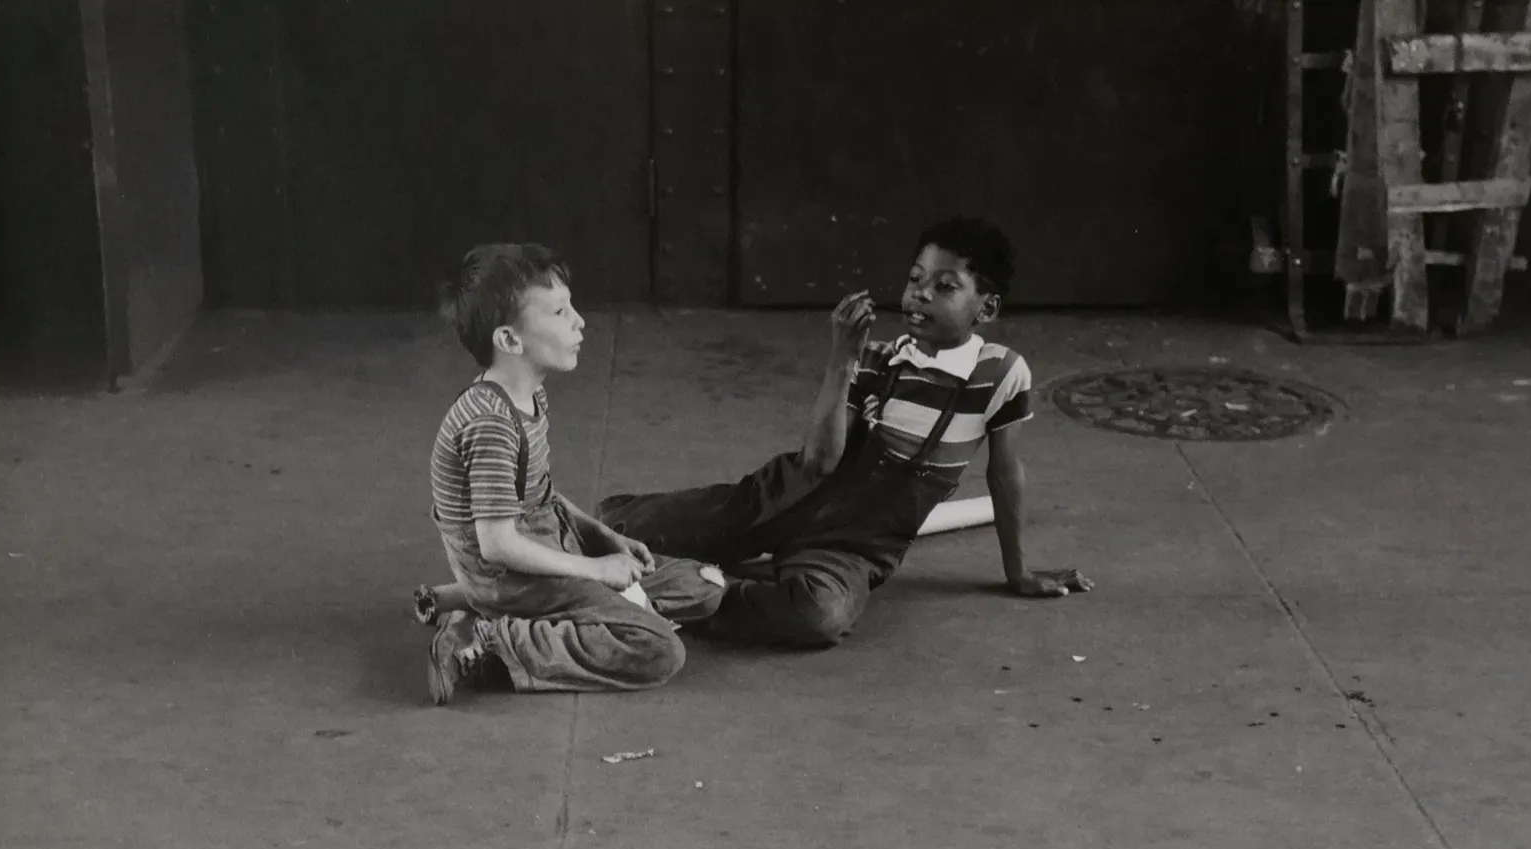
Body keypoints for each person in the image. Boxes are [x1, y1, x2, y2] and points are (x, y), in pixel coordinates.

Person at [595, 216, 1092, 647]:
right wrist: (842, 360)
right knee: (616, 530)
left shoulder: (1001, 374)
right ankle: (659, 563)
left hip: (854, 547)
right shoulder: (875, 358)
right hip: (782, 499)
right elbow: (818, 464)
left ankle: (686, 590)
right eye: (916, 278)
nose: (920, 292)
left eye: (945, 286)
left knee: (819, 616)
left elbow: (1005, 476)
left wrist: (1017, 572)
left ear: (985, 309)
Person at [417, 243, 724, 703]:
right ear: (509, 341)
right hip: (511, 578)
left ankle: (460, 601)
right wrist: (596, 570)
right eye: (560, 312)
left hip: (548, 546)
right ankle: (488, 639)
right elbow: (497, 544)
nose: (579, 321)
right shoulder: (490, 424)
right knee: (659, 651)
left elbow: (540, 495)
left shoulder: (527, 396)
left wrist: (602, 536)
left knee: (705, 586)